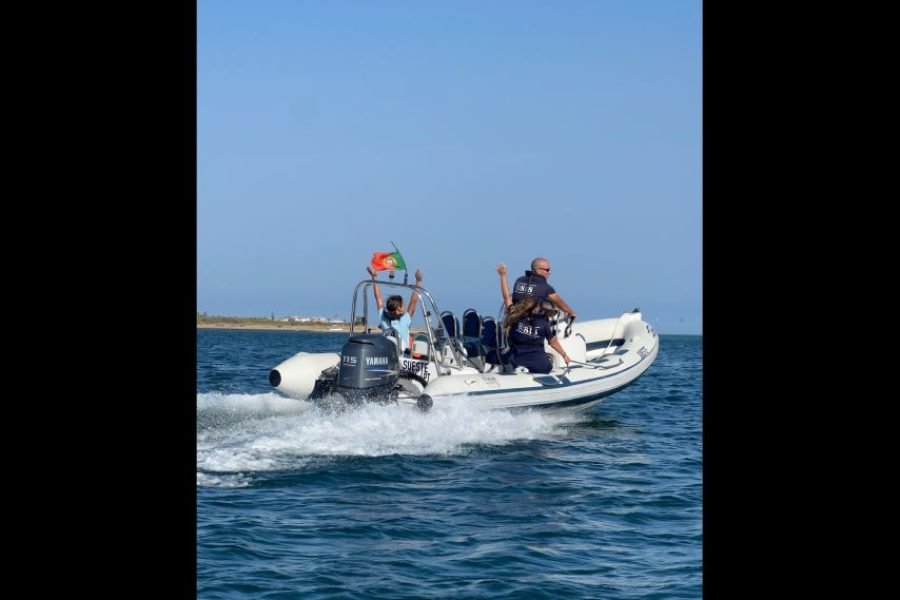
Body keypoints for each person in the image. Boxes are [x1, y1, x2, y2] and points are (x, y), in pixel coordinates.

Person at [502, 296, 571, 373]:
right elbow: (553, 342)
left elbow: (506, 298)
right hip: (536, 360)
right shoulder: (543, 324)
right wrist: (564, 355)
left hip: (515, 359)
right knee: (547, 366)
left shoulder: (514, 318)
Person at [367, 265, 423, 353]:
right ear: (398, 309)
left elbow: (378, 299)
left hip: (390, 354)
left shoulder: (383, 318)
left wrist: (374, 278)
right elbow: (413, 302)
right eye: (402, 305)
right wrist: (418, 282)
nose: (404, 306)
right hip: (402, 355)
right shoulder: (405, 318)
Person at [504, 257, 576, 320]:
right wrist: (571, 312)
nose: (549, 272)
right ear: (538, 270)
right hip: (531, 322)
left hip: (514, 319)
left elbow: (509, 297)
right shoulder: (545, 287)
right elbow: (560, 303)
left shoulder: (519, 280)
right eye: (547, 270)